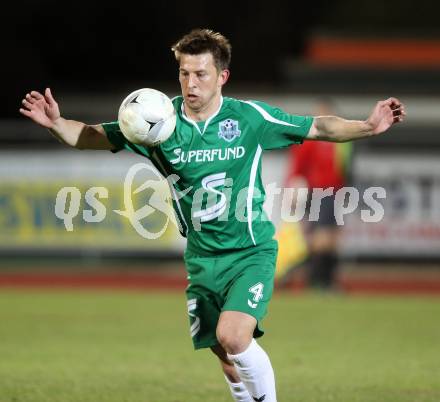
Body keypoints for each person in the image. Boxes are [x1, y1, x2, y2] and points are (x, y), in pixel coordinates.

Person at [19, 28, 405, 402]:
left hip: (249, 252)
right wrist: (55, 123)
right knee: (226, 356)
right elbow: (88, 136)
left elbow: (318, 126)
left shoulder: (250, 119)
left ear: (222, 76)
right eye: (184, 73)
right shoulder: (158, 122)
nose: (191, 83)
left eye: (201, 74)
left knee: (234, 336)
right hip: (202, 258)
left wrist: (369, 126)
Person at [285, 98, 352, 290]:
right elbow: (297, 167)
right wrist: (293, 189)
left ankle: (327, 279)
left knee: (331, 238)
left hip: (335, 193)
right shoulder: (309, 140)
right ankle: (318, 280)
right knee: (320, 237)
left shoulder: (341, 140)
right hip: (318, 192)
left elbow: (344, 168)